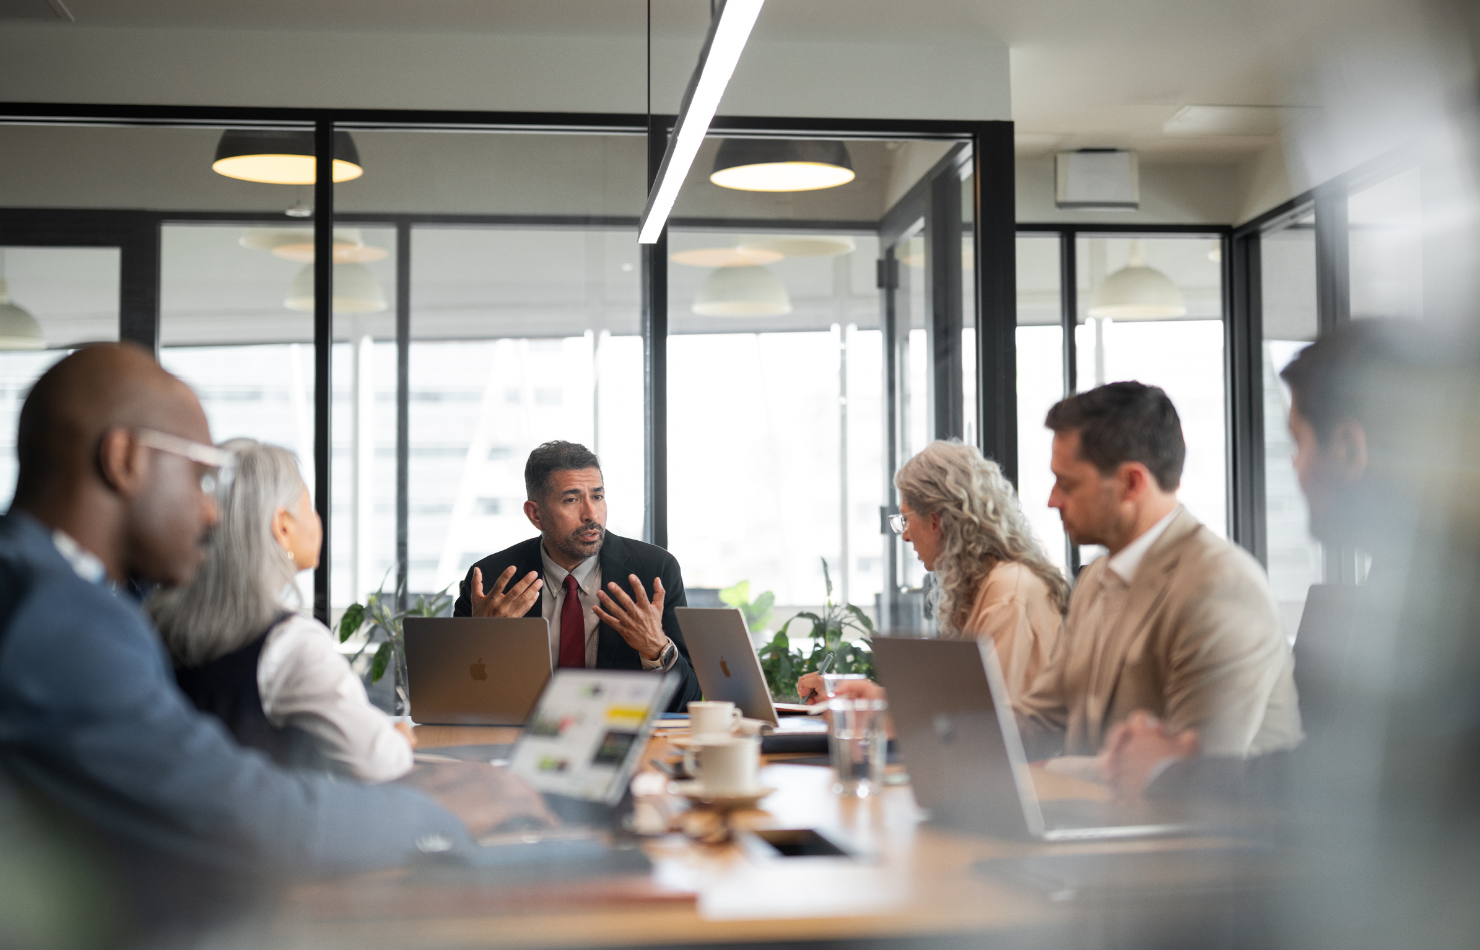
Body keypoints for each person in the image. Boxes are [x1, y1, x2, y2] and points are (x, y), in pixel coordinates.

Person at [0, 344, 552, 942]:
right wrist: (436, 814)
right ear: (125, 459)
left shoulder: (49, 589)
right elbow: (237, 815)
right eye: (200, 478)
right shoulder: (56, 618)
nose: (213, 514)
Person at [1013, 381, 1302, 759]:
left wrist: (1056, 774)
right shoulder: (1097, 579)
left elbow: (1188, 779)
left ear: (1132, 483)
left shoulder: (1221, 587)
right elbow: (1045, 720)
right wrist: (941, 734)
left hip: (1196, 817)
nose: (1052, 500)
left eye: (1067, 484)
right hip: (1091, 812)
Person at [149, 439, 414, 783]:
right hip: (262, 832)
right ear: (283, 525)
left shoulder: (154, 620)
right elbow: (380, 760)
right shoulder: (288, 643)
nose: (318, 521)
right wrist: (398, 741)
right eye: (310, 506)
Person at [800, 440, 1066, 702]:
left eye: (905, 519)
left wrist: (871, 707)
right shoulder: (988, 584)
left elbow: (978, 717)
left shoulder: (1008, 591)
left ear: (935, 521)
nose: (904, 535)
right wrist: (857, 695)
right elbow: (956, 705)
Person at [453, 440, 702, 710]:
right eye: (571, 500)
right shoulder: (490, 581)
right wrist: (480, 641)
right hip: (519, 741)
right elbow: (451, 698)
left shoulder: (654, 571)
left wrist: (657, 650)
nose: (591, 514)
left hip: (619, 737)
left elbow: (688, 700)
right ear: (535, 514)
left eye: (597, 497)